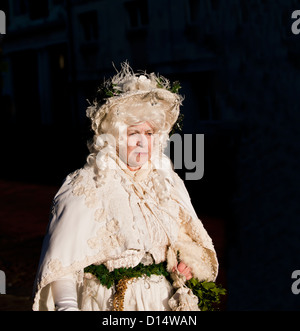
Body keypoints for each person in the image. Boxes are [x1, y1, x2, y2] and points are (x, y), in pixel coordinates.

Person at [32, 63, 218, 311]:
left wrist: (187, 262)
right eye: (133, 133)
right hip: (110, 303)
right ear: (114, 135)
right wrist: (67, 307)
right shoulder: (86, 184)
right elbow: (61, 263)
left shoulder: (168, 181)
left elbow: (186, 239)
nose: (143, 142)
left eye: (149, 132)